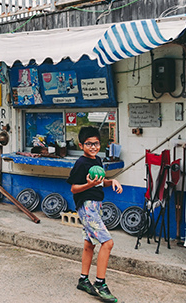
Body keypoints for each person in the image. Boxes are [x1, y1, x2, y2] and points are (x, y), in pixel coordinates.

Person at [67, 126, 123, 302]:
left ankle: (83, 280)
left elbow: (100, 182)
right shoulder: (81, 164)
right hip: (87, 206)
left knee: (89, 243)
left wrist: (112, 181)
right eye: (89, 144)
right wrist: (89, 185)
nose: (93, 147)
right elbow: (74, 188)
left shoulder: (97, 160)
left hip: (96, 205)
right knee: (107, 243)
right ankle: (100, 283)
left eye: (96, 143)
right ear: (81, 145)